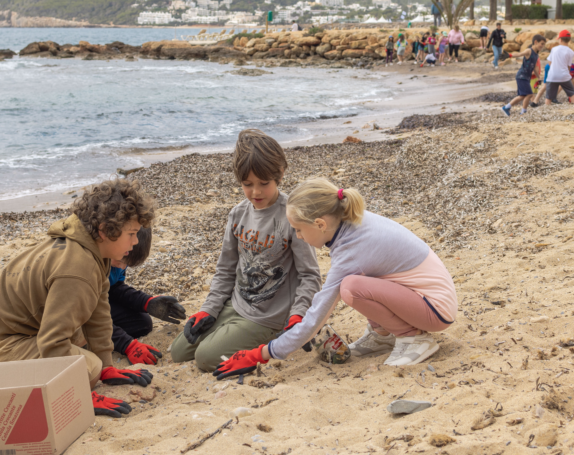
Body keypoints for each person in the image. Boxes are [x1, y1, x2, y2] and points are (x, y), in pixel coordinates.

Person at [212, 178, 458, 377]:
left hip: (435, 310)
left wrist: (261, 354)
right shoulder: (352, 224)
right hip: (425, 298)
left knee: (351, 287)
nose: (297, 236)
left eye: (298, 229)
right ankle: (382, 335)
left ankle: (413, 339)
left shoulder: (350, 253)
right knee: (356, 284)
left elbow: (314, 320)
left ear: (320, 224)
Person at [0, 179, 156, 418]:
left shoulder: (94, 249)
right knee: (88, 368)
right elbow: (52, 342)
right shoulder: (77, 269)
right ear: (105, 230)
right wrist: (80, 391)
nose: (135, 241)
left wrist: (107, 365)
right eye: (132, 234)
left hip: (9, 324)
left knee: (93, 360)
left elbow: (99, 311)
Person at [170, 130, 321, 372]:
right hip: (236, 303)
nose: (256, 192)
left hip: (270, 317)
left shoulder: (291, 216)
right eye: (247, 184)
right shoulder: (238, 214)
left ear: (280, 175)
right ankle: (227, 329)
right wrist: (209, 309)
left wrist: (299, 315)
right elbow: (225, 270)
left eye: (264, 183)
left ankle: (274, 336)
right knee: (178, 352)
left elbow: (310, 275)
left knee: (205, 358)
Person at [108, 227, 187, 365]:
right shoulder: (94, 262)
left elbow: (114, 288)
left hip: (99, 300)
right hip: (80, 313)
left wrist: (146, 302)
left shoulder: (118, 256)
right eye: (120, 261)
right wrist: (127, 345)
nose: (121, 267)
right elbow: (91, 314)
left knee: (142, 324)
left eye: (126, 264)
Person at [500, 34, 546, 116]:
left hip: (526, 77)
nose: (542, 46)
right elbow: (520, 54)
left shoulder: (536, 54)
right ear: (535, 42)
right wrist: (510, 55)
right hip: (522, 76)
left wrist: (539, 77)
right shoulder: (529, 51)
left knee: (523, 95)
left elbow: (535, 67)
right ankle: (521, 110)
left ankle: (509, 108)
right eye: (541, 44)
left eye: (543, 44)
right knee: (529, 94)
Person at [545, 31, 574, 104]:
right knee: (572, 92)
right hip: (564, 75)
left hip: (552, 75)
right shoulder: (571, 52)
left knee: (549, 96)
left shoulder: (554, 49)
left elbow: (550, 62)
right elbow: (569, 66)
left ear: (560, 39)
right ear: (569, 40)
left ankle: (547, 107)